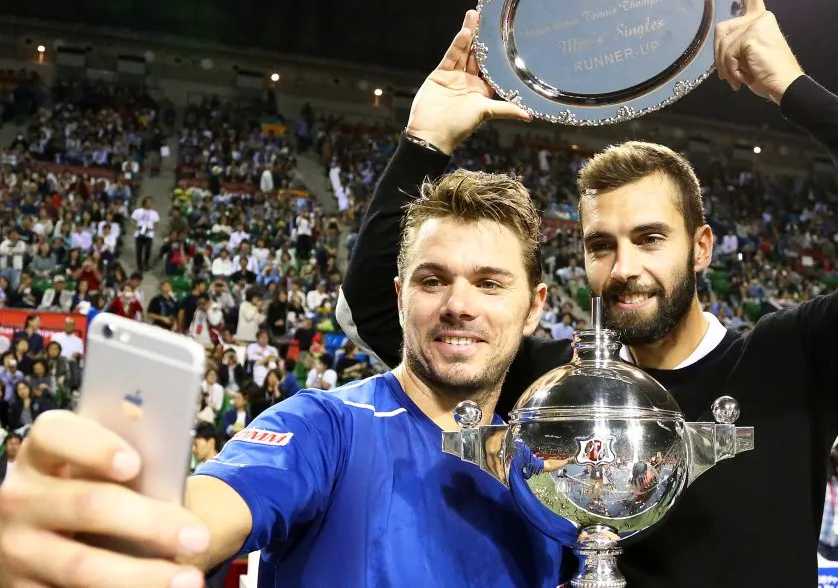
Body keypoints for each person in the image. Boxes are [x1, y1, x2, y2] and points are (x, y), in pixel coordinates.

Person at [337, 0, 838, 588]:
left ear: (702, 246)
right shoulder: (546, 380)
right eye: (601, 244)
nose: (625, 267)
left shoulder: (794, 358)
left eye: (650, 237)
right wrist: (426, 140)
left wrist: (792, 89)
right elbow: (368, 307)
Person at [0, 170, 564, 587]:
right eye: (433, 280)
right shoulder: (325, 428)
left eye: (490, 283)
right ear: (399, 298)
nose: (458, 305)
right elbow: (202, 514)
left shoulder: (549, 478)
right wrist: (94, 537)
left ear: (535, 307)